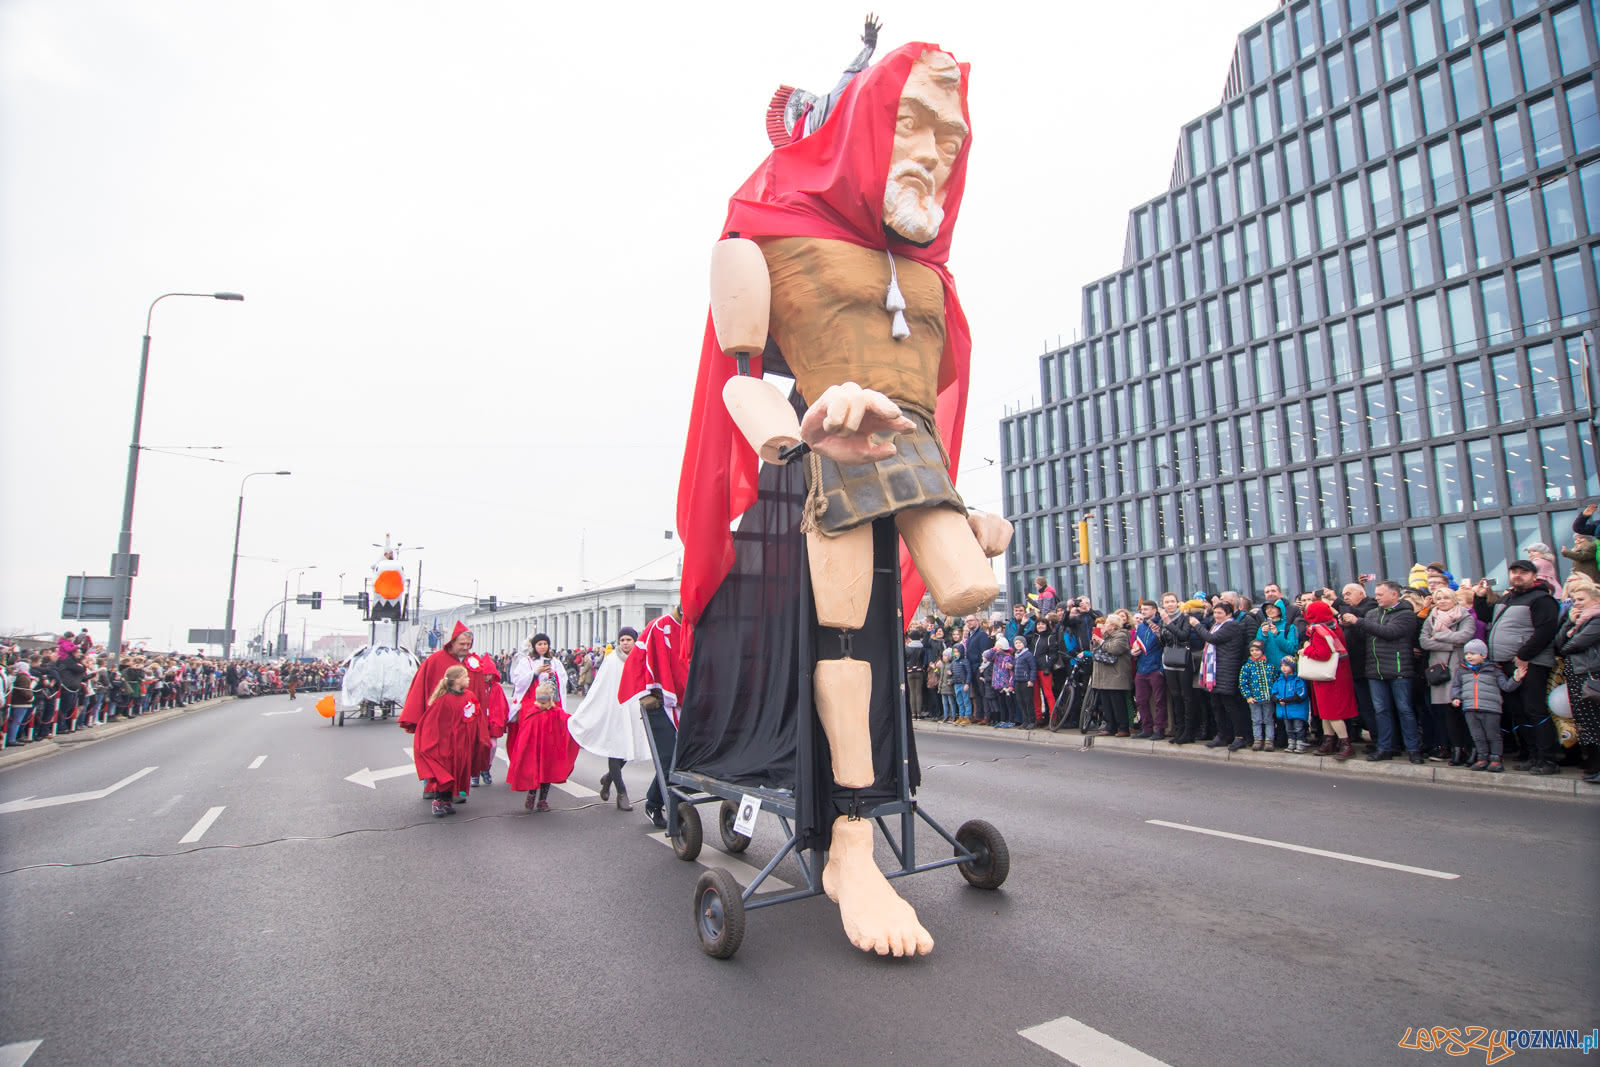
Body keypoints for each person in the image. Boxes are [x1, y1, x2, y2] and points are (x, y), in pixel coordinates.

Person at [1472, 560, 1561, 774]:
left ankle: (1547, 759)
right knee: (1518, 711)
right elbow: (1487, 618)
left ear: (1534, 575)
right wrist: (1480, 597)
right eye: (1514, 572)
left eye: (1523, 572)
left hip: (1531, 663)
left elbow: (1545, 631)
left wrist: (1523, 655)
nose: (1518, 576)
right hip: (1506, 663)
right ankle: (1532, 754)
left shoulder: (1542, 599)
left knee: (1535, 709)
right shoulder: (1508, 597)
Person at [400, 621, 498, 802]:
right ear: (452, 642)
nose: (465, 647)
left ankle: (456, 789)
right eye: (462, 644)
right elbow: (421, 688)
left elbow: (478, 693)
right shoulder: (435, 660)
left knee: (461, 755)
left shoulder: (474, 663)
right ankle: (432, 786)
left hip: (463, 721)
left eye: (469, 644)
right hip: (438, 719)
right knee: (435, 753)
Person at [619, 606, 691, 829]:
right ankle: (655, 803)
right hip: (659, 702)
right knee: (669, 759)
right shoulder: (659, 627)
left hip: (688, 702)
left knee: (690, 758)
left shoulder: (697, 629)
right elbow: (636, 662)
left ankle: (673, 798)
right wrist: (644, 694)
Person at [566, 626, 649, 812]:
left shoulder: (641, 658)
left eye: (629, 639)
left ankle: (608, 779)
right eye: (622, 640)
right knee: (616, 750)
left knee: (628, 751)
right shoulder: (612, 661)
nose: (625, 643)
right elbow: (601, 686)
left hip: (634, 711)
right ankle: (622, 794)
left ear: (635, 641)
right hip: (616, 711)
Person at [1345, 580, 1423, 764]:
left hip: (1399, 669)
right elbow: (1365, 635)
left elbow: (1390, 632)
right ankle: (1384, 747)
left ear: (1394, 595)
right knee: (1381, 711)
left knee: (1405, 710)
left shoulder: (1406, 614)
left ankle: (1413, 749)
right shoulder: (1372, 614)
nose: (1376, 597)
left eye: (1380, 594)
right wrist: (1351, 626)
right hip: (1375, 670)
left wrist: (1359, 621)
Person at [409, 665, 478, 817]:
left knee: (456, 769)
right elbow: (431, 722)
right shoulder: (443, 700)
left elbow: (472, 714)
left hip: (461, 741)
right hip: (445, 743)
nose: (468, 679)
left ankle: (446, 801)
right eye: (465, 676)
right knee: (445, 771)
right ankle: (438, 801)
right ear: (457, 680)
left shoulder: (468, 695)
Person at [1418, 585, 1476, 765]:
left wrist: (1439, 636)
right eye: (1439, 598)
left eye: (1446, 597)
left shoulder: (1464, 616)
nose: (1442, 601)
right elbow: (1424, 642)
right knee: (1444, 712)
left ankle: (1469, 748)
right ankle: (1454, 748)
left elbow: (1465, 636)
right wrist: (1450, 644)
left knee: (1459, 710)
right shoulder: (1431, 617)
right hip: (1438, 668)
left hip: (1458, 666)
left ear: (1454, 599)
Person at [1552, 575, 1600, 783]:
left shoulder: (1596, 618)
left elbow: (1572, 645)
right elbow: (1559, 643)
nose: (1577, 603)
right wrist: (1569, 622)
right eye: (1574, 599)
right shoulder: (1578, 620)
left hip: (1591, 675)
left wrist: (1567, 641)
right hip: (1577, 675)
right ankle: (1593, 766)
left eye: (1581, 599)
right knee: (1585, 722)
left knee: (1595, 723)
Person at [506, 679, 579, 812]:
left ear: (550, 700)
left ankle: (542, 800)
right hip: (535, 751)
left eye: (544, 703)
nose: (541, 705)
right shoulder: (533, 713)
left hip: (549, 750)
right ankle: (532, 795)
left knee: (547, 775)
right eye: (539, 702)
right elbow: (525, 733)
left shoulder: (556, 712)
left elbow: (568, 721)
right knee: (534, 774)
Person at [1451, 640, 1524, 773]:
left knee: (1493, 735)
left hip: (1491, 708)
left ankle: (1496, 759)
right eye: (1466, 653)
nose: (1468, 656)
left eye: (1473, 653)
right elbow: (1456, 686)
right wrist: (1456, 697)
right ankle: (1482, 758)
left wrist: (1516, 679)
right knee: (1477, 736)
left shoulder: (1494, 670)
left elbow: (1506, 686)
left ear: (1483, 655)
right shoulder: (1462, 670)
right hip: (1470, 708)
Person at [1300, 600, 1359, 759]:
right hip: (1336, 674)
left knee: (1332, 713)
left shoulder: (1320, 630)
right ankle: (1329, 742)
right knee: (1326, 712)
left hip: (1328, 677)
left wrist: (1306, 650)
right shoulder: (1332, 625)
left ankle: (1344, 743)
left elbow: (1322, 654)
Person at [1199, 602, 1251, 750]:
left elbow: (1212, 638)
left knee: (1231, 706)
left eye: (1220, 613)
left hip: (1228, 670)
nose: (1216, 616)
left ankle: (1240, 736)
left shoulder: (1231, 626)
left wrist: (1197, 625)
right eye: (1215, 613)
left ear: (1228, 614)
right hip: (1216, 671)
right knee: (1216, 705)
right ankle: (1223, 735)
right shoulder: (1217, 625)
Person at [1089, 613, 1132, 737]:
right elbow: (1096, 651)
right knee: (1106, 703)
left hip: (1115, 675)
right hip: (1103, 675)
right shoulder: (1104, 636)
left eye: (1107, 623)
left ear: (1113, 626)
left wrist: (1101, 641)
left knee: (1117, 702)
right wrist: (1095, 641)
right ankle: (1110, 726)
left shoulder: (1122, 635)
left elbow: (1115, 649)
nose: (1104, 625)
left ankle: (1123, 727)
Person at [1130, 600, 1166, 740]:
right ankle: (1147, 728)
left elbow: (1164, 642)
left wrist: (1158, 634)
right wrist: (1134, 651)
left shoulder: (1160, 623)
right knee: (1141, 700)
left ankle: (1160, 729)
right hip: (1142, 667)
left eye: (1146, 609)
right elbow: (1137, 644)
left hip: (1155, 667)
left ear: (1154, 610)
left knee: (1159, 701)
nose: (1143, 612)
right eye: (1142, 609)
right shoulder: (1141, 627)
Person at [1240, 640, 1275, 751]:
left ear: (1262, 651)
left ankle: (1269, 741)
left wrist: (1274, 695)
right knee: (1256, 720)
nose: (1255, 652)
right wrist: (1248, 696)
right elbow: (1243, 683)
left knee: (1268, 719)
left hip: (1268, 698)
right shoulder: (1247, 667)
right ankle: (1258, 740)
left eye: (1257, 650)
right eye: (1252, 650)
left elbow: (1274, 681)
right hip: (1254, 699)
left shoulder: (1269, 666)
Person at [1272, 657, 1312, 752]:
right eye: (1282, 666)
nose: (1283, 668)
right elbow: (1273, 693)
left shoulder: (1298, 680)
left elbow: (1301, 695)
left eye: (1286, 665)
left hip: (1297, 710)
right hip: (1285, 711)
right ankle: (1291, 743)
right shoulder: (1279, 680)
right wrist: (1278, 700)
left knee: (1298, 727)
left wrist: (1285, 700)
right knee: (1288, 728)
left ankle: (1300, 743)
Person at [949, 644, 972, 724]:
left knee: (966, 701)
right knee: (959, 702)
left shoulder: (965, 661)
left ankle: (967, 717)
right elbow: (951, 671)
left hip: (963, 684)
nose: (956, 654)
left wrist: (967, 683)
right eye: (954, 652)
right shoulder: (953, 662)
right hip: (956, 684)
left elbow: (969, 673)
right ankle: (961, 716)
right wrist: (950, 673)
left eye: (957, 652)